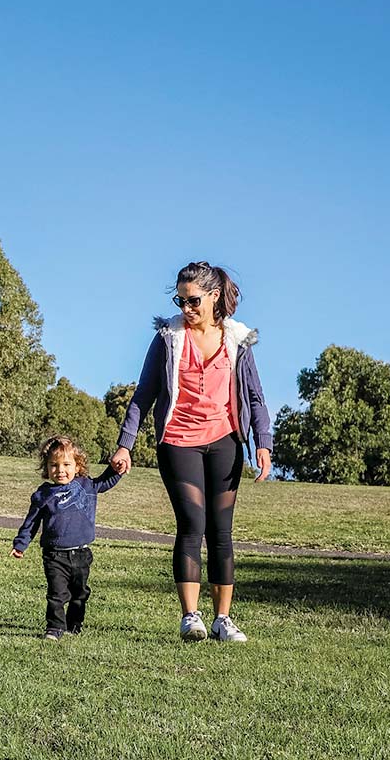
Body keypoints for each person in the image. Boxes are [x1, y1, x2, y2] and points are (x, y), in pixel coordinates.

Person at [110, 261, 272, 643]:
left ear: (214, 296)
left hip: (225, 442)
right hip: (178, 441)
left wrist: (263, 443)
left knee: (221, 532)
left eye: (193, 300)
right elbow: (143, 394)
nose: (186, 308)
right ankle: (190, 617)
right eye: (180, 300)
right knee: (191, 524)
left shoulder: (237, 340)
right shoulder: (168, 338)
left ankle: (223, 619)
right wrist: (125, 444)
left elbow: (256, 397)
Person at [11, 435, 122, 640]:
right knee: (57, 594)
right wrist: (21, 544)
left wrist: (118, 468)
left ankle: (74, 625)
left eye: (66, 464)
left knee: (79, 593)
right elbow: (31, 523)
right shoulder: (43, 494)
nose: (60, 470)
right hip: (54, 555)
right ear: (46, 467)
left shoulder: (86, 486)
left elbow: (106, 481)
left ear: (78, 466)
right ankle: (54, 628)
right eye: (54, 465)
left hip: (81, 554)